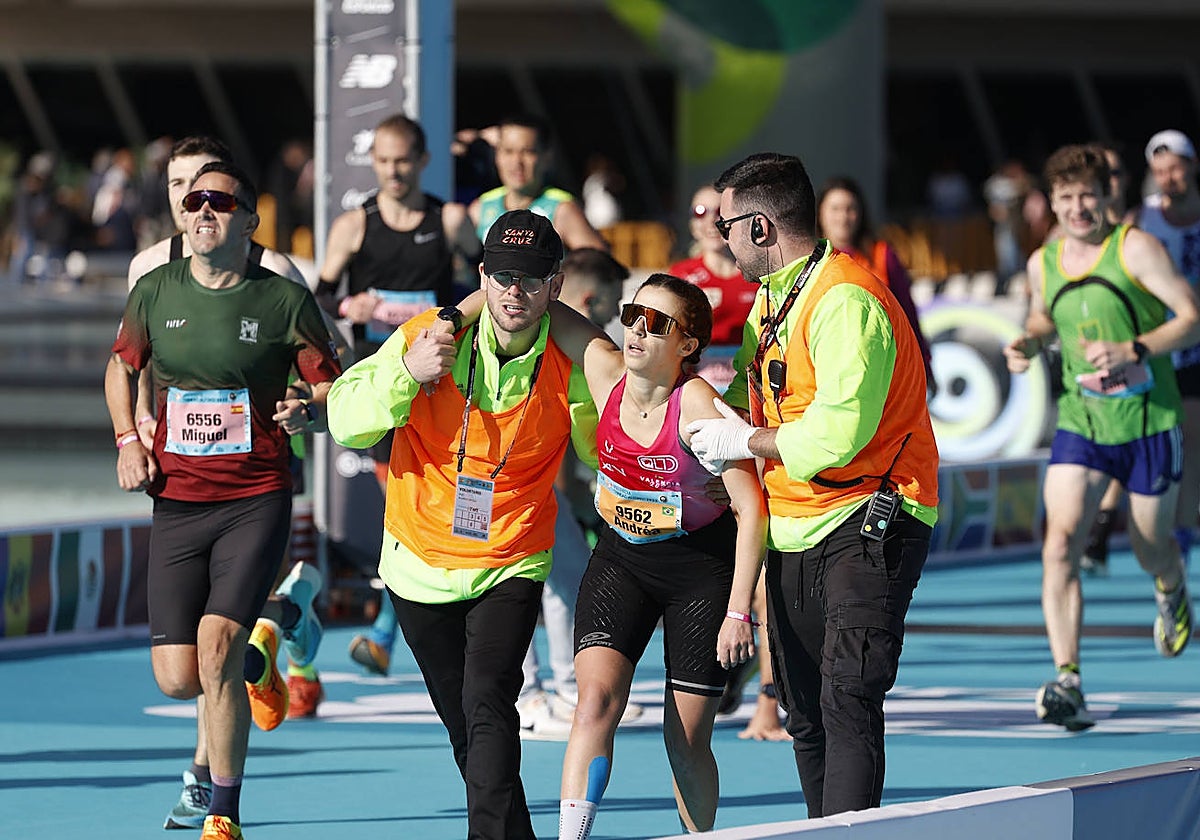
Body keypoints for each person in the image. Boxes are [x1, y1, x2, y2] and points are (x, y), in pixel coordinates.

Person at [325, 209, 596, 840]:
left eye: (531, 279)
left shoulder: (575, 360)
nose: (514, 291)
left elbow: (605, 447)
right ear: (482, 276)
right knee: (467, 727)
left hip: (511, 558)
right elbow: (345, 420)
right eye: (502, 276)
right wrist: (406, 373)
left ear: (555, 284)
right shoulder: (428, 337)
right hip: (418, 563)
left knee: (488, 703)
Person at [685, 152, 940, 818]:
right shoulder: (774, 296)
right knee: (804, 712)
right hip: (793, 520)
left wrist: (742, 443)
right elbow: (747, 400)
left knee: (848, 696)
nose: (719, 239)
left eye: (726, 225)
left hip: (872, 511)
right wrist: (690, 436)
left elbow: (836, 435)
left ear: (760, 228)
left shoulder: (846, 300)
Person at [104, 161, 341, 840]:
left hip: (255, 496)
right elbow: (121, 367)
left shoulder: (282, 299)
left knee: (217, 651)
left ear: (249, 221)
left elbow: (331, 383)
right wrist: (128, 440)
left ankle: (223, 811)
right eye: (194, 201)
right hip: (177, 499)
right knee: (179, 679)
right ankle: (285, 611)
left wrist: (309, 410)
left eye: (220, 201)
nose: (204, 210)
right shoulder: (154, 290)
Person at [546, 273, 767, 839]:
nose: (637, 331)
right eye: (632, 315)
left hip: (699, 574)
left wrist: (739, 612)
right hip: (621, 561)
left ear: (687, 345)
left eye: (656, 323)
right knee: (593, 704)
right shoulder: (604, 373)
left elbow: (752, 510)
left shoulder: (697, 404)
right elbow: (541, 303)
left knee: (685, 741)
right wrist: (465, 305)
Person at [1002, 144, 1198, 732]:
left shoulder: (1136, 248)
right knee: (1060, 542)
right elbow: (1043, 316)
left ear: (1107, 195)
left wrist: (1134, 349)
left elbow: (1190, 317)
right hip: (1081, 423)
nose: (1078, 208)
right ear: (1052, 202)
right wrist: (1028, 340)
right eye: (1066, 198)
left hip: (1148, 423)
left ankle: (1170, 585)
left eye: (1088, 195)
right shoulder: (1043, 262)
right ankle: (1068, 679)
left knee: (1149, 545)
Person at [314, 113, 474, 677]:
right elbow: (318, 298)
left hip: (442, 382)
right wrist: (347, 306)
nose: (393, 171)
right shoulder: (354, 225)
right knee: (402, 506)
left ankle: (417, 623)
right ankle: (389, 629)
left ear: (423, 160)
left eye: (402, 160)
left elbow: (483, 284)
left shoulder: (448, 220)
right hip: (384, 383)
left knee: (439, 502)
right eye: (382, 161)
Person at [517, 247, 631, 739]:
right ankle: (525, 696)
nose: (617, 314)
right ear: (587, 299)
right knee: (515, 585)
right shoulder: (564, 342)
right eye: (612, 302)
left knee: (569, 578)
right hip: (505, 487)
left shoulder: (577, 344)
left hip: (540, 490)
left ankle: (565, 690)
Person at [1137, 129, 1200, 571]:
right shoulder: (1142, 220)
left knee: (1192, 439)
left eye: (1175, 169)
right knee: (1165, 439)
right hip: (1160, 349)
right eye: (1160, 171)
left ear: (1192, 166)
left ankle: (1183, 530)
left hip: (1196, 349)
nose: (1168, 178)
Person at [816, 176, 936, 392]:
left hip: (881, 374)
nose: (843, 217)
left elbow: (907, 312)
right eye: (835, 209)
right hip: (824, 374)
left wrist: (924, 365)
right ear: (820, 213)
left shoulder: (881, 254)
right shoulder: (809, 260)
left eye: (850, 209)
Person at [469, 113, 608, 250]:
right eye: (508, 151)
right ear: (496, 155)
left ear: (546, 157)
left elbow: (599, 262)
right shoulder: (480, 208)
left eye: (528, 152)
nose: (517, 162)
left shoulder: (561, 209)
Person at [669, 184, 758, 348]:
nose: (711, 221)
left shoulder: (758, 274)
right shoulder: (681, 275)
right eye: (700, 212)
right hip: (699, 362)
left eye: (720, 212)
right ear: (692, 226)